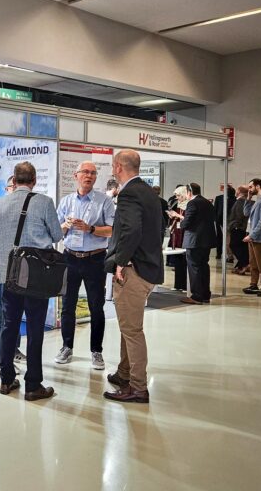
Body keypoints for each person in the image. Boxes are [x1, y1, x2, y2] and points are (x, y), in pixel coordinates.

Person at [0, 161, 63, 401]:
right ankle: (33, 385)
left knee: (8, 326)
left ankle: (6, 379)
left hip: (7, 275)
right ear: (34, 180)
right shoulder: (44, 202)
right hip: (35, 277)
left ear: (14, 179)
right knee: (35, 329)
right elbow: (57, 235)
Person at [103, 150, 163, 404]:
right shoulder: (148, 192)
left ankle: (138, 387)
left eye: (112, 166)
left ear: (118, 167)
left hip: (133, 270)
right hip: (148, 268)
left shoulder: (128, 193)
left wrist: (120, 261)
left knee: (132, 330)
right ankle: (124, 373)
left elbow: (131, 230)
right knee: (128, 328)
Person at [54, 161, 115, 370]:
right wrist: (65, 225)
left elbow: (112, 230)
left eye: (92, 173)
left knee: (96, 307)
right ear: (76, 176)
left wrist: (90, 229)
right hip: (70, 258)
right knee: (67, 306)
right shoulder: (66, 201)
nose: (89, 176)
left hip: (95, 259)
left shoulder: (105, 201)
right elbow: (56, 232)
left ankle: (96, 351)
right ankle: (66, 347)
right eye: (85, 172)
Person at [0, 175, 25, 366]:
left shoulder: (27, 210)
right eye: (13, 187)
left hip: (20, 271)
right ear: (7, 188)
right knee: (1, 312)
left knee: (15, 311)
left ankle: (13, 349)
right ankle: (0, 354)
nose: (16, 190)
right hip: (2, 268)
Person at [172, 183, 216, 305]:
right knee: (204, 267)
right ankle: (205, 295)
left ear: (189, 192)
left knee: (194, 268)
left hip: (194, 240)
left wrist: (181, 222)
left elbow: (187, 222)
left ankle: (196, 296)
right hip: (206, 240)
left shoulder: (192, 203)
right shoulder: (207, 202)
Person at [242, 178, 261, 296]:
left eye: (251, 187)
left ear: (257, 186)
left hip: (259, 238)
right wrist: (248, 198)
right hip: (253, 236)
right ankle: (253, 284)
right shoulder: (258, 200)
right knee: (253, 262)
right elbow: (246, 213)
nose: (249, 189)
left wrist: (252, 235)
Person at [167, 186, 189, 291]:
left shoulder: (189, 205)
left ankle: (185, 285)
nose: (177, 198)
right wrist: (172, 216)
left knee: (185, 260)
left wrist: (178, 216)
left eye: (179, 195)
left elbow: (188, 219)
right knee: (178, 260)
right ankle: (178, 285)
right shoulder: (177, 204)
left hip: (185, 234)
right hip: (177, 233)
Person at [228, 186, 250, 274]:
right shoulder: (243, 201)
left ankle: (245, 263)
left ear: (240, 192)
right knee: (242, 247)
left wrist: (235, 226)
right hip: (240, 227)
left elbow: (239, 215)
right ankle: (241, 265)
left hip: (238, 228)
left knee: (234, 245)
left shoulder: (241, 201)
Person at [213, 184, 235, 260]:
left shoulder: (234, 199)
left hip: (229, 221)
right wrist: (216, 220)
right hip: (219, 221)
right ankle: (219, 253)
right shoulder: (219, 198)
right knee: (219, 238)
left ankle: (229, 255)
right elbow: (215, 209)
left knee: (228, 239)